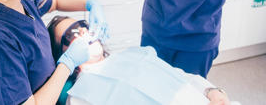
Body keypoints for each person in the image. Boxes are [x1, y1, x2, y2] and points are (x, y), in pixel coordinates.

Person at [47, 16, 231, 105]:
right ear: (63, 54)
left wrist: (211, 90)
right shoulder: (80, 95)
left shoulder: (135, 54)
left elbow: (181, 76)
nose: (82, 32)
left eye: (82, 25)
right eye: (71, 33)